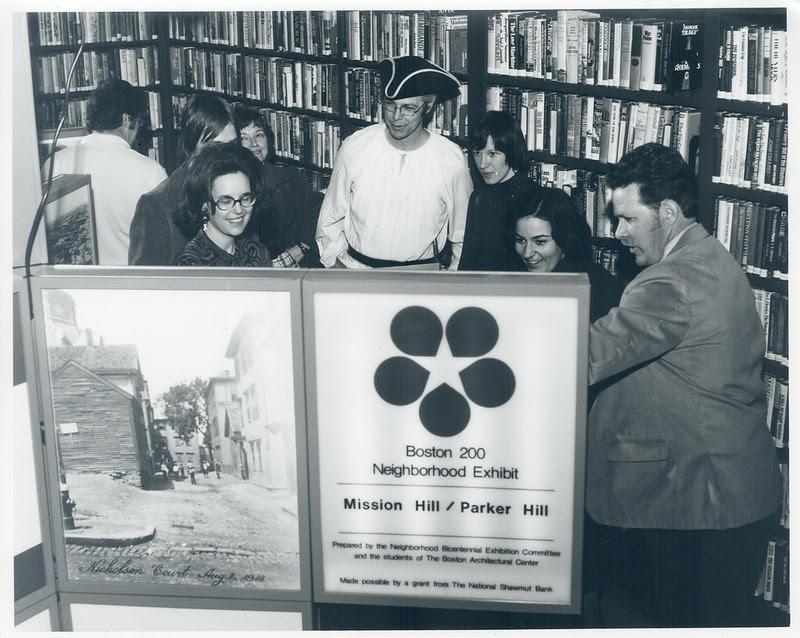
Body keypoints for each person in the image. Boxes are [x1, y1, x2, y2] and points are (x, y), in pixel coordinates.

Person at [587, 143, 782, 628]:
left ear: (668, 213)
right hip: (723, 502)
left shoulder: (670, 282)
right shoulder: (708, 256)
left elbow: (588, 356)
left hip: (697, 508)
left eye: (628, 218)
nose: (618, 232)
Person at [316, 55, 472, 269]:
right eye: (390, 105)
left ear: (428, 106)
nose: (396, 117)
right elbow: (330, 216)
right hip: (357, 270)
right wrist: (334, 263)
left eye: (408, 108)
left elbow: (462, 235)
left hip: (421, 275)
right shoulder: (356, 146)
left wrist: (450, 280)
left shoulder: (450, 159)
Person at [44, 78, 167, 265]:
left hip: (69, 284)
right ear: (127, 120)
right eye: (139, 123)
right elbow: (164, 246)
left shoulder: (54, 163)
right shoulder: (151, 172)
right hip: (128, 285)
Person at [128, 95, 237, 264]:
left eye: (232, 146)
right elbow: (146, 285)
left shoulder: (241, 190)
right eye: (214, 148)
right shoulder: (156, 205)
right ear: (191, 147)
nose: (226, 157)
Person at [510, 186, 624, 321]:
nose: (527, 253)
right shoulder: (514, 276)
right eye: (520, 240)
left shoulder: (597, 289)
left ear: (564, 239)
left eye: (540, 242)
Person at [233, 105, 323, 267]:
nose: (254, 144)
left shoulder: (290, 178)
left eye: (259, 135)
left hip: (298, 268)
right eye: (244, 138)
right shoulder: (228, 190)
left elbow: (318, 211)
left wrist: (299, 249)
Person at [459, 111, 539, 272]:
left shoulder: (534, 198)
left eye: (492, 154)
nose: (482, 164)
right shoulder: (478, 198)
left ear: (511, 152)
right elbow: (467, 262)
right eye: (477, 153)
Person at [173, 142, 271, 267]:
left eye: (245, 198)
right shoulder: (190, 264)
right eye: (226, 201)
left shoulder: (256, 253)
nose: (239, 210)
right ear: (204, 205)